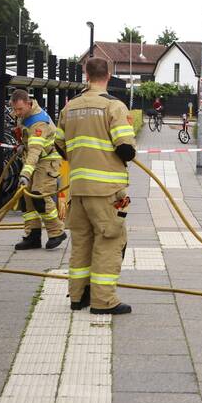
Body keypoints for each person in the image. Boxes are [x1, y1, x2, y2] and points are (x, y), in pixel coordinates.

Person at [55, 57, 136, 315]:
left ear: (85, 75)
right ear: (108, 76)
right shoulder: (114, 107)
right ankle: (103, 301)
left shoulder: (69, 108)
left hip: (77, 189)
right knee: (110, 240)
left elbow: (59, 146)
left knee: (81, 242)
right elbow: (125, 149)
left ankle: (78, 296)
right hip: (107, 192)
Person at [9, 89, 67, 250]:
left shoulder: (39, 122)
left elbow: (35, 150)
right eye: (14, 109)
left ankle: (57, 232)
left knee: (39, 195)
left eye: (20, 109)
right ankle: (32, 236)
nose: (16, 113)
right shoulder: (24, 115)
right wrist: (21, 145)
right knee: (26, 199)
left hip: (47, 161)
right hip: (33, 160)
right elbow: (27, 141)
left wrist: (25, 174)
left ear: (28, 104)